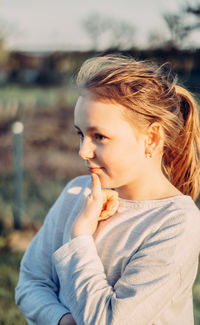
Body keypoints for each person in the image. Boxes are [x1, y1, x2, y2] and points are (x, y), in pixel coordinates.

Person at [15, 54, 200, 325]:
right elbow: (30, 283)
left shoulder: (177, 223)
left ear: (152, 137)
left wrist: (79, 237)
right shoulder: (76, 193)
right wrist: (63, 319)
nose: (83, 151)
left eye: (99, 136)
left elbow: (109, 321)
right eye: (80, 134)